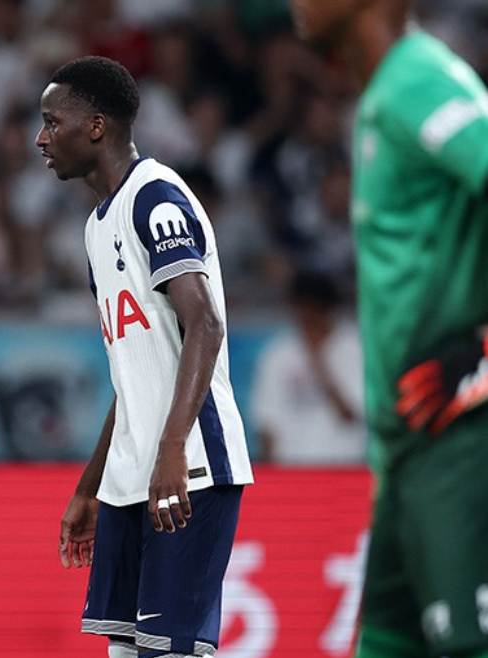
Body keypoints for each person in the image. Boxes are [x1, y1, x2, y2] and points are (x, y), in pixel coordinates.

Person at [37, 56, 254, 658]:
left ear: (96, 126)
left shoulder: (153, 197)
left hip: (190, 468)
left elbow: (205, 323)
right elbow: (132, 372)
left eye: (52, 122)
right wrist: (91, 485)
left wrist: (172, 449)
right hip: (131, 478)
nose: (41, 139)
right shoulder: (94, 227)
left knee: (169, 652)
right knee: (127, 651)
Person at [290, 2, 488, 656]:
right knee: (384, 644)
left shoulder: (419, 80)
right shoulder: (385, 93)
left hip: (460, 440)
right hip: (409, 448)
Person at [253, 269, 366, 465]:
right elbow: (266, 422)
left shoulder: (354, 348)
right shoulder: (278, 353)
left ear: (328, 310)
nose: (306, 318)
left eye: (313, 310)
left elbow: (350, 415)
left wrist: (317, 361)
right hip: (289, 466)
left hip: (343, 465)